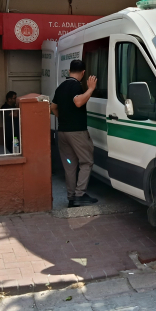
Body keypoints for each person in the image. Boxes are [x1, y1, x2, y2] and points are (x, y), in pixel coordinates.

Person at [50, 60, 99, 208]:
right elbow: (78, 102)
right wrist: (90, 89)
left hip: (63, 132)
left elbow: (53, 107)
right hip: (77, 132)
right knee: (86, 161)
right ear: (83, 73)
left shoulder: (61, 87)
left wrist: (63, 118)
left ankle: (71, 197)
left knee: (70, 166)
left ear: (69, 71)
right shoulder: (76, 86)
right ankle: (80, 195)